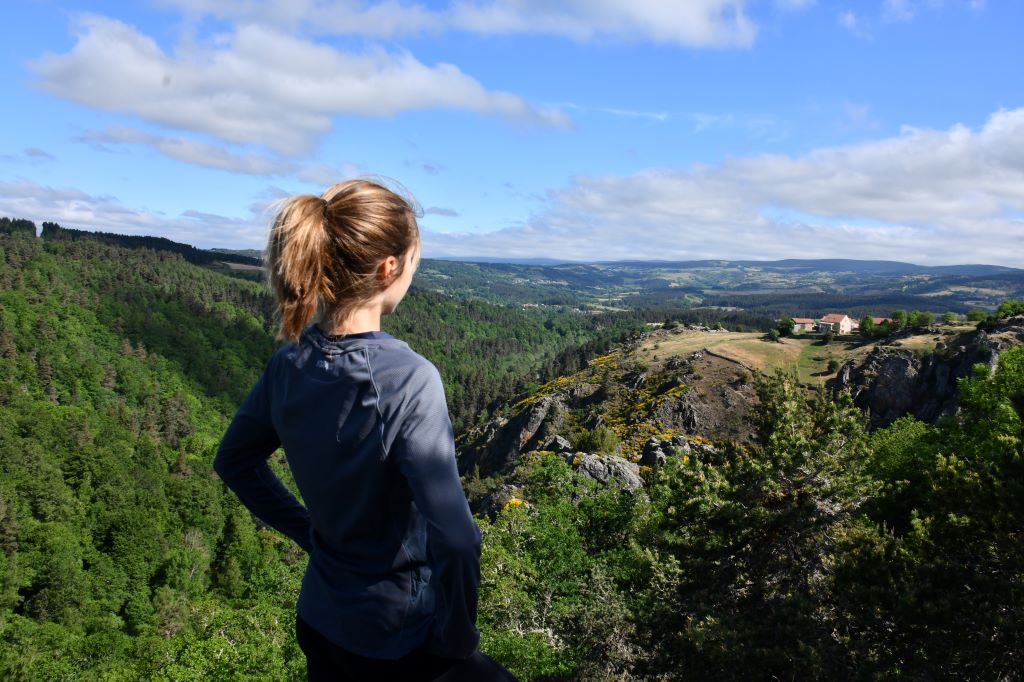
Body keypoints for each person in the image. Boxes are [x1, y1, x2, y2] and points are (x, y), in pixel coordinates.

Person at [213, 179, 517, 681]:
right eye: (414, 264)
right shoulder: (408, 378)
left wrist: (306, 531)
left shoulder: (289, 364)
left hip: (320, 619)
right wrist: (458, 639)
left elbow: (235, 462)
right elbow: (458, 537)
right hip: (394, 635)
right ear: (389, 267)